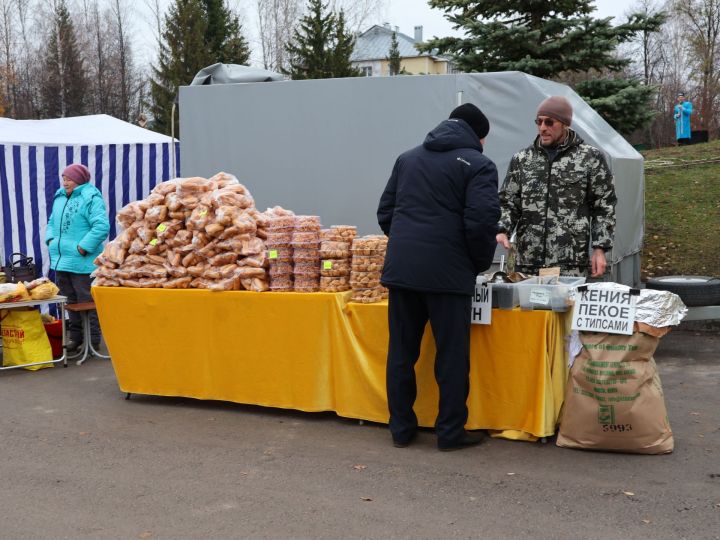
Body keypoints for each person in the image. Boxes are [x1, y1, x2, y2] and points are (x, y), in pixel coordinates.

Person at [377, 103, 500, 451]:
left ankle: (400, 428)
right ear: (479, 136)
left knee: (401, 352)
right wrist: (475, 263)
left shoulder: (407, 159)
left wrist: (407, 245)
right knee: (451, 356)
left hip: (402, 272)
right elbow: (481, 222)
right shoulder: (479, 165)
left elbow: (386, 212)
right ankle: (450, 432)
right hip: (448, 275)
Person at [496, 96, 616, 278]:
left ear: (565, 124)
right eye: (539, 121)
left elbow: (604, 206)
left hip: (569, 265)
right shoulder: (522, 159)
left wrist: (600, 248)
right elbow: (509, 201)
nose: (543, 127)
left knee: (566, 307)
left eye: (549, 122)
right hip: (528, 264)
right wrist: (503, 229)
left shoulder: (590, 159)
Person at [45, 164, 110, 352]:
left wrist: (82, 248)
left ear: (80, 179)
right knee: (69, 302)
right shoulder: (59, 197)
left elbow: (101, 227)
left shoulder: (91, 197)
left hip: (82, 262)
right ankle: (76, 338)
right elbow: (51, 222)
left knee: (86, 302)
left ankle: (93, 339)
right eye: (63, 178)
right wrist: (50, 239)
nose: (65, 182)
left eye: (69, 179)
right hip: (61, 259)